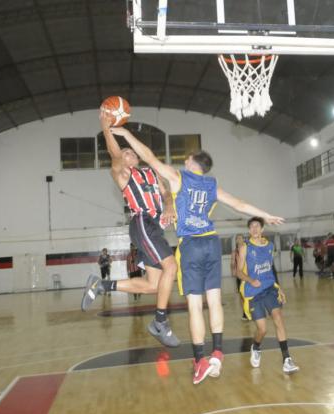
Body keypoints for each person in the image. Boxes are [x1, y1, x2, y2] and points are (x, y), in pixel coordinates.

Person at [111, 125, 284, 385]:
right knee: (214, 300)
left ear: (192, 163)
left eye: (187, 158)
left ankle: (200, 359)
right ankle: (217, 353)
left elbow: (148, 157)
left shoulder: (179, 178)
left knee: (195, 305)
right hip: (212, 243)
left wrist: (125, 136)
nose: (184, 160)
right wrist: (265, 214)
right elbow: (239, 204)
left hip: (191, 246)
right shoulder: (212, 185)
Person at [82, 111, 180, 348]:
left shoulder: (152, 173)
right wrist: (106, 127)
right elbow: (114, 152)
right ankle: (160, 322)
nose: (130, 153)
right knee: (171, 267)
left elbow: (166, 194)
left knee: (154, 285)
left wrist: (169, 207)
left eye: (132, 152)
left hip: (154, 227)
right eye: (126, 152)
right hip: (142, 223)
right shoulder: (123, 174)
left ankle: (101, 285)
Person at [237, 217, 300, 374]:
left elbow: (271, 268)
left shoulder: (270, 246)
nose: (254, 229)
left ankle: (286, 359)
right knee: (262, 330)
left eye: (257, 226)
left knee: (278, 318)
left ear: (262, 229)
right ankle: (256, 347)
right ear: (249, 230)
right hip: (253, 293)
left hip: (270, 288)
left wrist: (280, 288)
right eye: (251, 227)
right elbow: (237, 272)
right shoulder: (245, 247)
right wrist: (251, 280)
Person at [229, 234, 248, 320]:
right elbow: (232, 262)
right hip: (240, 276)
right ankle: (245, 313)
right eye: (237, 239)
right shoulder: (235, 252)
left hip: (249, 275)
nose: (239, 240)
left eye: (240, 238)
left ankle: (253, 311)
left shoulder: (248, 249)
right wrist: (233, 270)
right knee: (242, 295)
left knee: (252, 294)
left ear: (243, 239)